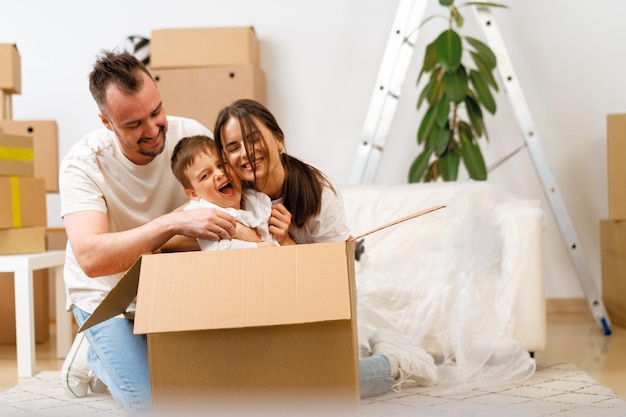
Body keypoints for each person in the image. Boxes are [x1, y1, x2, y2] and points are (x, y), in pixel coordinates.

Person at [213, 98, 438, 398]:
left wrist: (288, 243)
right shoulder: (231, 194)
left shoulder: (318, 194)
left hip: (321, 310)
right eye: (233, 147)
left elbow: (333, 284)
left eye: (254, 139)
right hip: (265, 312)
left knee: (313, 389)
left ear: (278, 140)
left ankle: (394, 363)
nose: (246, 153)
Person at [59, 50, 239, 415]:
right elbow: (92, 259)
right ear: (107, 123)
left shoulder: (192, 137)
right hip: (108, 298)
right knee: (152, 403)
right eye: (133, 124)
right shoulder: (83, 163)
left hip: (173, 290)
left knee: (223, 381)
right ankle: (93, 351)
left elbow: (234, 208)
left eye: (156, 112)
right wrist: (172, 223)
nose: (153, 129)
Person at [170, 134, 282, 250]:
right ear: (193, 194)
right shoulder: (202, 214)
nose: (219, 174)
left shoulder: (256, 200)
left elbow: (273, 239)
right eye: (205, 175)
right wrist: (257, 246)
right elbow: (217, 249)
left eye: (221, 164)